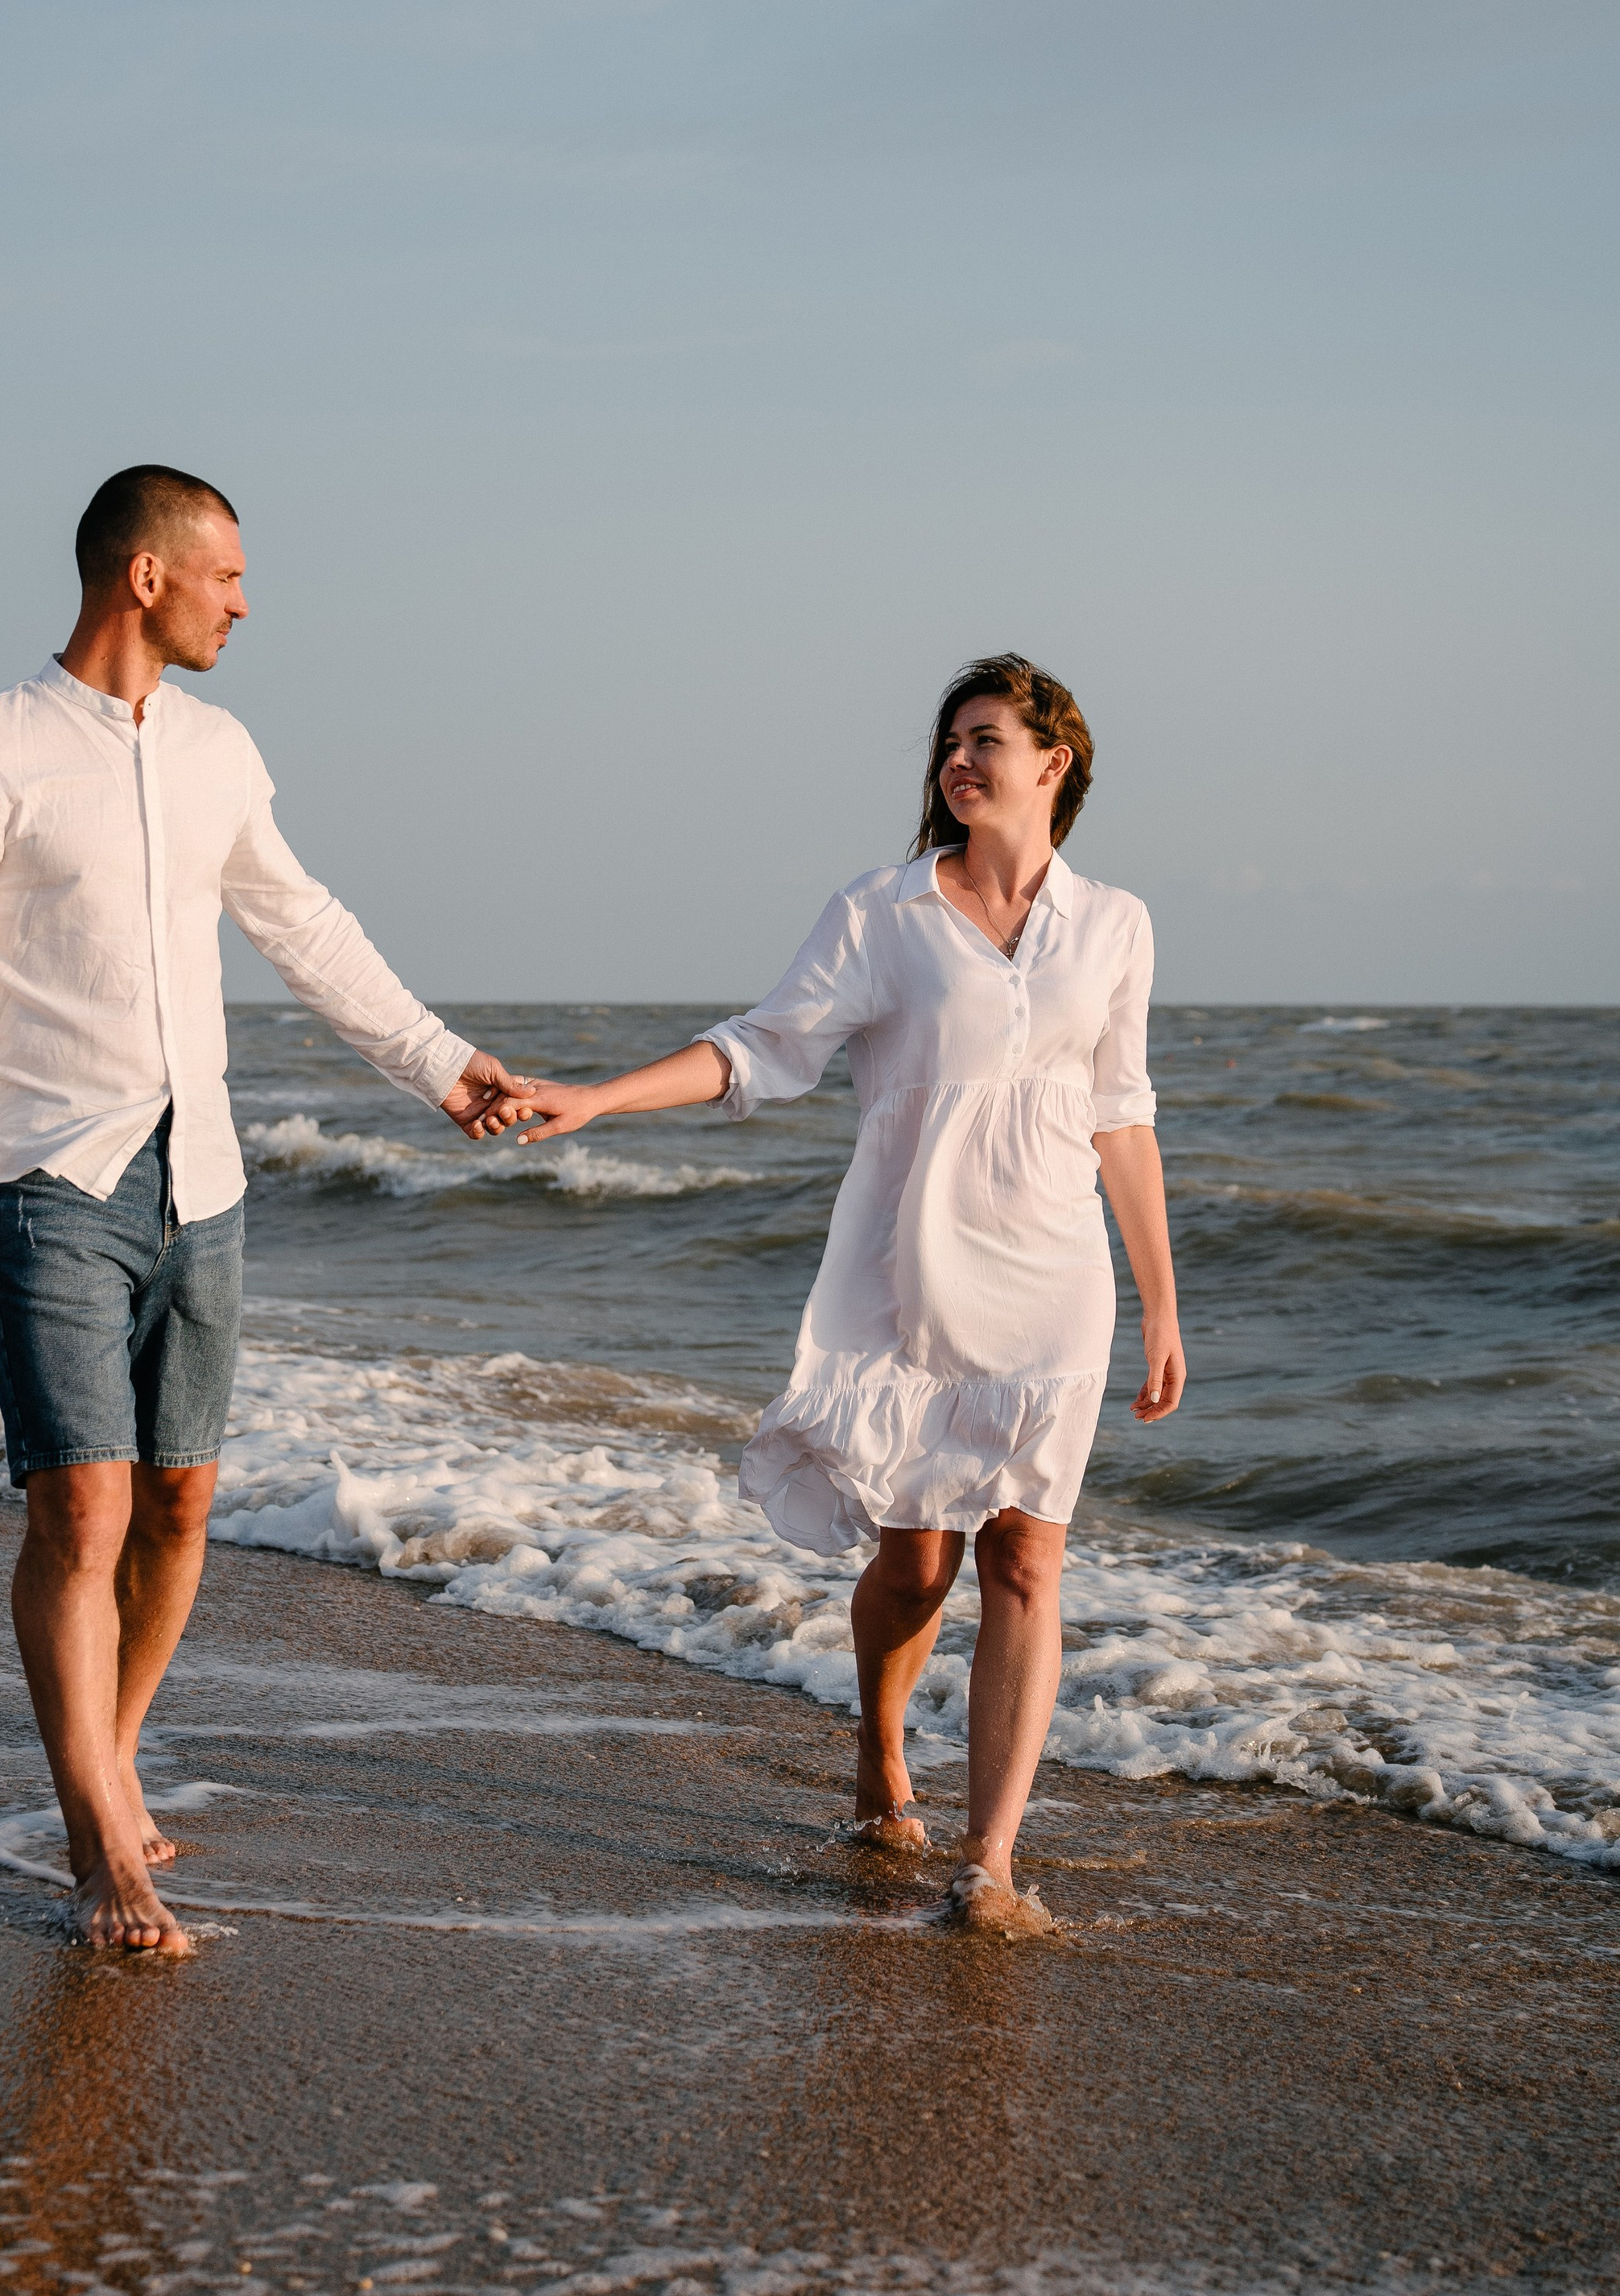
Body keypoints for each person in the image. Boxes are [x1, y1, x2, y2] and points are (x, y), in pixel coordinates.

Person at [0, 464, 527, 1955]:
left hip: (204, 1176)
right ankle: (106, 1847)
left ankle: (109, 1750)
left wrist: (442, 1066)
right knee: (84, 1507)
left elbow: (304, 924)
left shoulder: (224, 750)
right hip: (51, 1176)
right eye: (227, 571)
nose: (247, 598)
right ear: (147, 576)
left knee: (179, 1505)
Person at [500, 654, 1184, 1934]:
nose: (962, 759)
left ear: (1056, 762)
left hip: (1057, 1278)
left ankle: (989, 1859)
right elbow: (763, 1049)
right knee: (919, 1562)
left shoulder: (1117, 925)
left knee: (1028, 1555)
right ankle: (877, 1731)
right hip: (910, 1275)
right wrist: (598, 1096)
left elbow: (1122, 1114)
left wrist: (1161, 1299)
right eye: (951, 741)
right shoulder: (882, 914)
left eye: (989, 738)